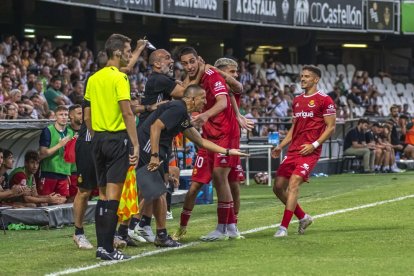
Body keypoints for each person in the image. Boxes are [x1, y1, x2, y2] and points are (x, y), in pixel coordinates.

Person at [140, 84, 247, 247]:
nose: (205, 102)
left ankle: (135, 230)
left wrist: (227, 151)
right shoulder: (178, 108)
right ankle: (145, 232)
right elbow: (155, 127)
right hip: (149, 150)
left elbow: (200, 141)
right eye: (203, 98)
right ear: (191, 99)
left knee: (152, 193)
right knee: (156, 193)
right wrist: (154, 155)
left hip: (155, 150)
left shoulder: (182, 114)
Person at [175, 47, 240, 242]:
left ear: (199, 59)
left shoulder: (212, 75)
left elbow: (223, 102)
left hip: (225, 134)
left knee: (223, 177)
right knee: (195, 186)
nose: (189, 66)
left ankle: (225, 227)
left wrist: (204, 115)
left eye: (192, 62)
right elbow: (183, 91)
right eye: (184, 63)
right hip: (207, 137)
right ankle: (185, 227)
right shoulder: (196, 78)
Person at [84, 33, 139, 261]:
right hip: (117, 140)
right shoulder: (120, 78)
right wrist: (135, 143)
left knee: (103, 195)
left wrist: (97, 135)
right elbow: (127, 112)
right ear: (117, 52)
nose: (129, 55)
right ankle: (107, 248)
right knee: (113, 198)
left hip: (97, 139)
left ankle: (101, 248)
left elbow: (87, 115)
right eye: (128, 51)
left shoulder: (93, 78)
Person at [271, 65, 336, 237]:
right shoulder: (297, 100)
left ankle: (283, 227)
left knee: (293, 184)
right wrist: (281, 145)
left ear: (316, 79)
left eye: (307, 76)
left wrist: (314, 145)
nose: (303, 79)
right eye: (301, 76)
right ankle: (303, 217)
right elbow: (295, 127)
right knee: (277, 187)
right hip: (293, 151)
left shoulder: (325, 100)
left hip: (310, 151)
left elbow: (331, 127)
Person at [38, 105, 74, 199]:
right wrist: (59, 145)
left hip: (64, 174)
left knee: (63, 201)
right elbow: (43, 153)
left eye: (66, 114)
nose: (64, 117)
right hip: (49, 172)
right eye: (61, 114)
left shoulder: (70, 132)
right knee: (45, 200)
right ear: (55, 116)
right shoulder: (48, 131)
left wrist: (67, 173)